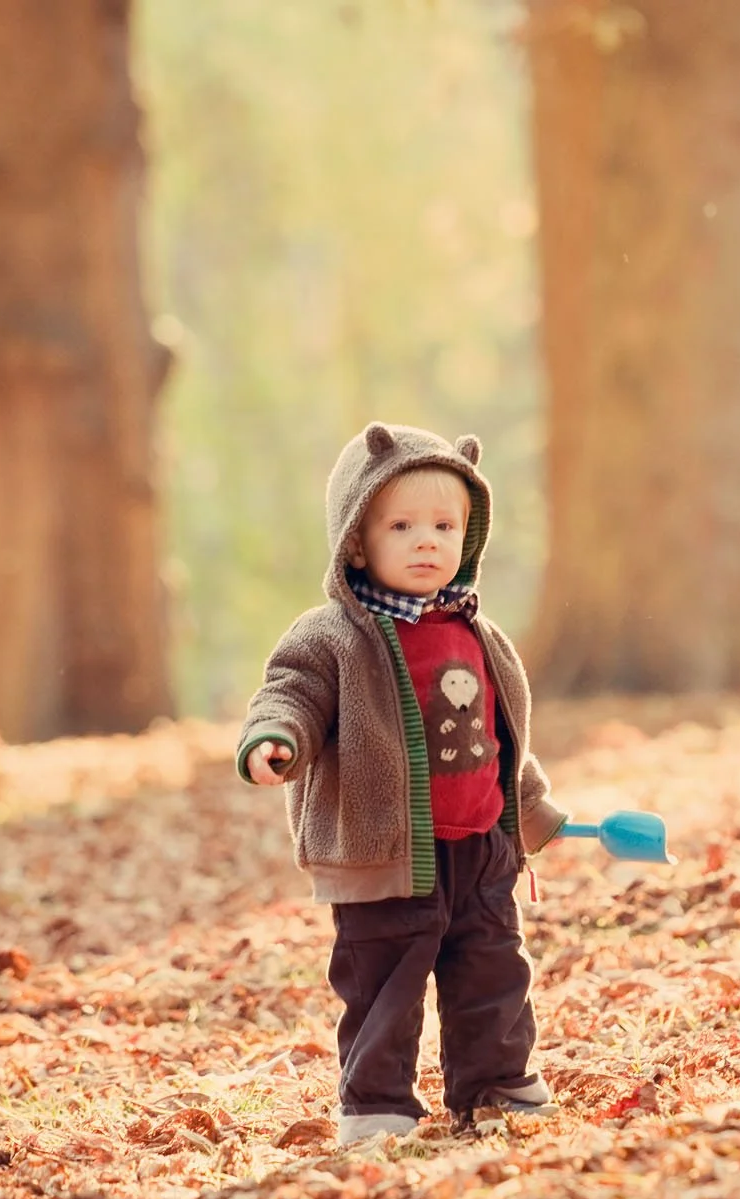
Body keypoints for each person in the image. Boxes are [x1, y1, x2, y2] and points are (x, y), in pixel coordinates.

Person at [237, 421, 568, 1144]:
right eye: (403, 525)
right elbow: (289, 693)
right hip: (384, 852)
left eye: (445, 526)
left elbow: (499, 734)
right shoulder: (333, 637)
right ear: (357, 538)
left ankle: (496, 1083)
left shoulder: (477, 631)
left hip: (480, 848)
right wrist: (276, 740)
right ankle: (378, 1103)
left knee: (492, 973)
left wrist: (534, 811)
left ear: (468, 536)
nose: (428, 541)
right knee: (383, 983)